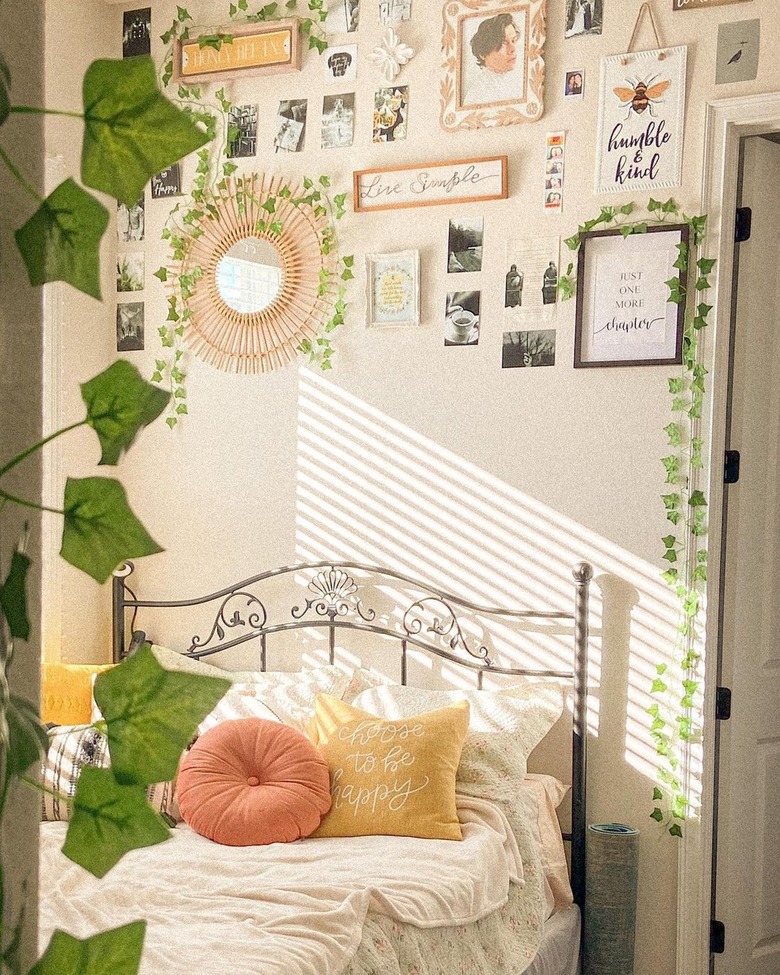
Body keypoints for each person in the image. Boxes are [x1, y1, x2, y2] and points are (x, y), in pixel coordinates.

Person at [463, 13, 522, 106]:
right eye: (503, 43)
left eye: (514, 40)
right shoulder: (477, 96)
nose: (512, 49)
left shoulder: (517, 81)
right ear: (483, 53)